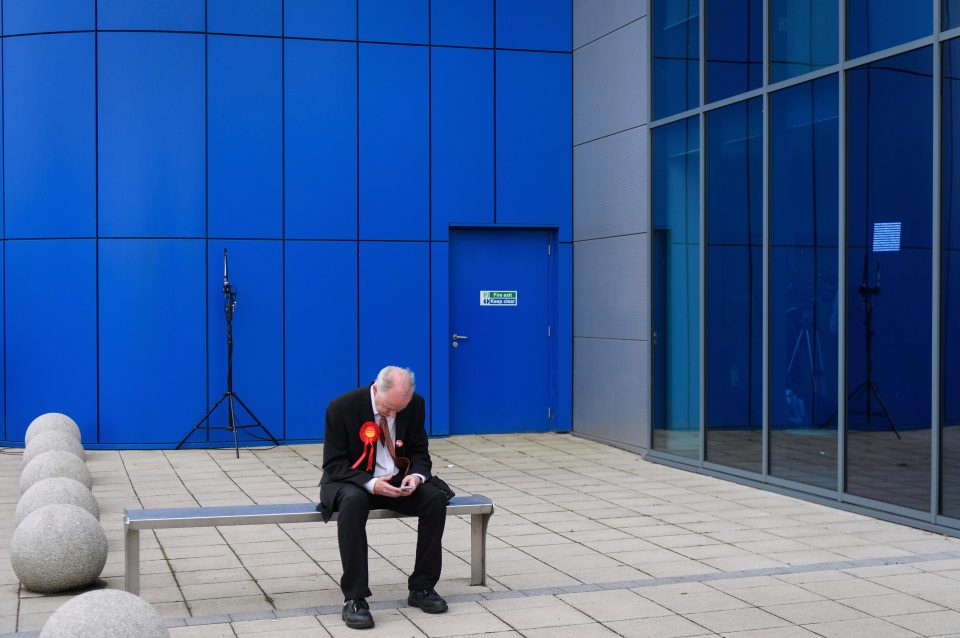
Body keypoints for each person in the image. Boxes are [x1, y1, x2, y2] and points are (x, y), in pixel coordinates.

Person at [317, 366, 448, 630]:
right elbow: (334, 464)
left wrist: (417, 477)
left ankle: (422, 587)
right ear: (376, 389)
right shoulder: (341, 407)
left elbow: (421, 453)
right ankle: (355, 598)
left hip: (397, 480)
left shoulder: (415, 404)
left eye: (399, 410)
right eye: (388, 409)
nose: (393, 415)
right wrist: (372, 483)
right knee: (354, 503)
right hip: (352, 481)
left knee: (434, 499)